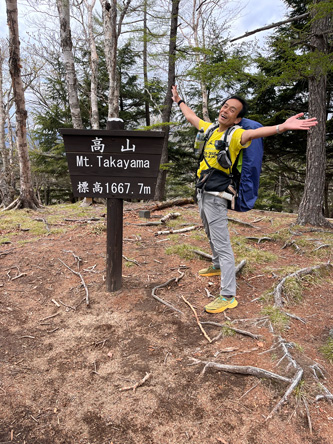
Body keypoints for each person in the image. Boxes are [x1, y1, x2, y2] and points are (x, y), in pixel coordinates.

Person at [171, 85, 318, 314]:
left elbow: (257, 133)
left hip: (217, 195)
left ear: (237, 118)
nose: (226, 111)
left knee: (223, 243)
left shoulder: (237, 135)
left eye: (232, 110)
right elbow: (191, 117)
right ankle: (217, 265)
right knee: (209, 230)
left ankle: (228, 295)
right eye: (225, 106)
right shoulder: (210, 130)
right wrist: (179, 101)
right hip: (202, 191)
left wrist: (283, 127)